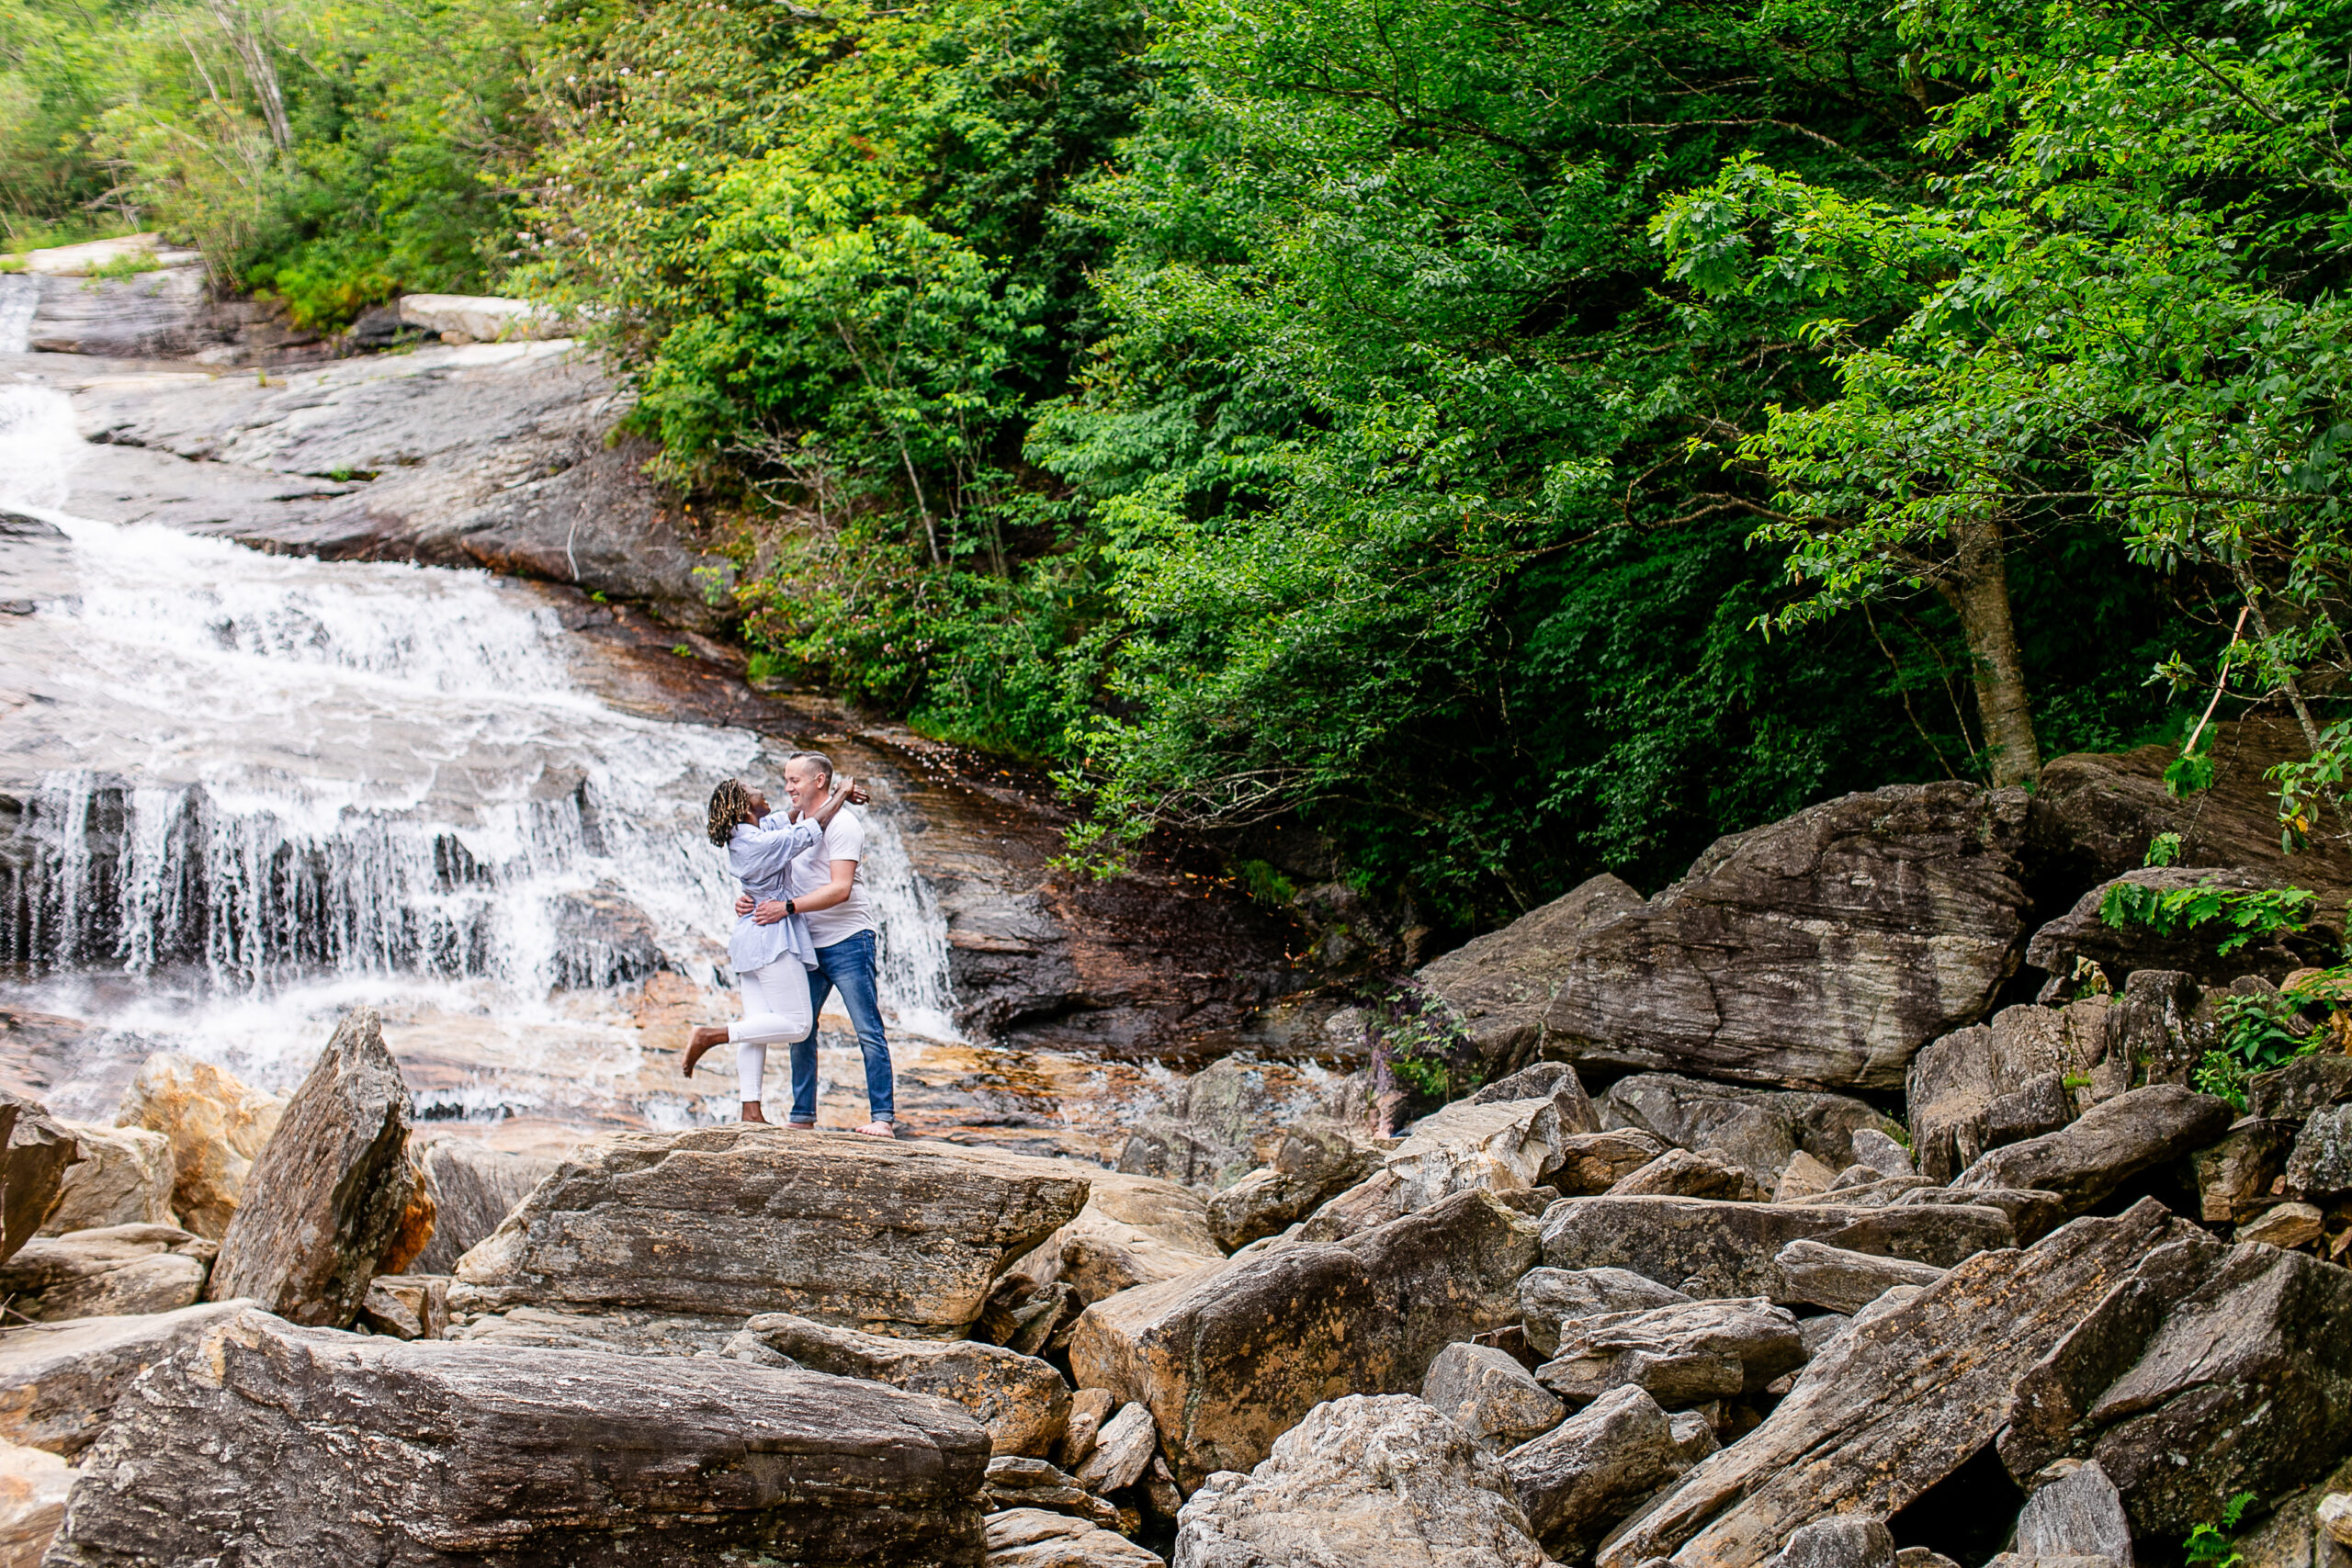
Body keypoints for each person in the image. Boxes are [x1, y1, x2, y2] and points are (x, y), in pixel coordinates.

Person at [732, 750, 894, 1138]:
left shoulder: (843, 825)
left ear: (818, 781)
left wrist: (785, 908)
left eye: (795, 780)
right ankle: (802, 1115)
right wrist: (747, 900)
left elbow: (839, 889)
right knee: (800, 1030)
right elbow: (764, 869)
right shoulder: (794, 824)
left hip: (849, 939)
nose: (788, 787)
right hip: (805, 941)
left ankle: (883, 1119)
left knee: (867, 1029)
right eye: (786, 780)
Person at [683, 772, 857, 1123]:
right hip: (772, 935)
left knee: (757, 1026)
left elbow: (795, 816)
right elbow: (811, 829)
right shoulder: (760, 843)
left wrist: (825, 795)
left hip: (750, 935)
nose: (760, 789)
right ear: (745, 805)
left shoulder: (750, 833)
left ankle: (751, 1111)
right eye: (751, 789)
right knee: (798, 1026)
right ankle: (711, 1035)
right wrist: (840, 793)